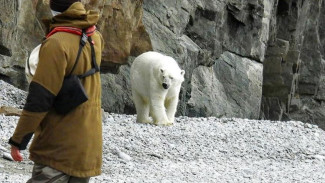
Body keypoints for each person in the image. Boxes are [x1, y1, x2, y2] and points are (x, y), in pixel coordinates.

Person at [8, 0, 104, 182]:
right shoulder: (95, 36)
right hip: (88, 147)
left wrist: (18, 140)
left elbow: (40, 98)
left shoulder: (56, 43)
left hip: (58, 147)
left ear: (52, 7)